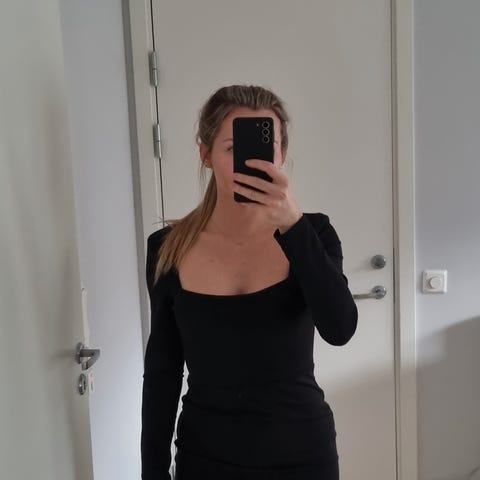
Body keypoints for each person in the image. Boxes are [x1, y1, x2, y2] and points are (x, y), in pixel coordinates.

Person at [141, 85, 358, 480]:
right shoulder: (168, 248)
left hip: (302, 455)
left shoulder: (314, 234)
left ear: (282, 155)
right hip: (205, 458)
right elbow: (162, 372)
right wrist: (153, 472)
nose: (251, 161)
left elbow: (340, 329)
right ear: (206, 154)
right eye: (232, 148)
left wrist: (293, 227)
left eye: (265, 148)